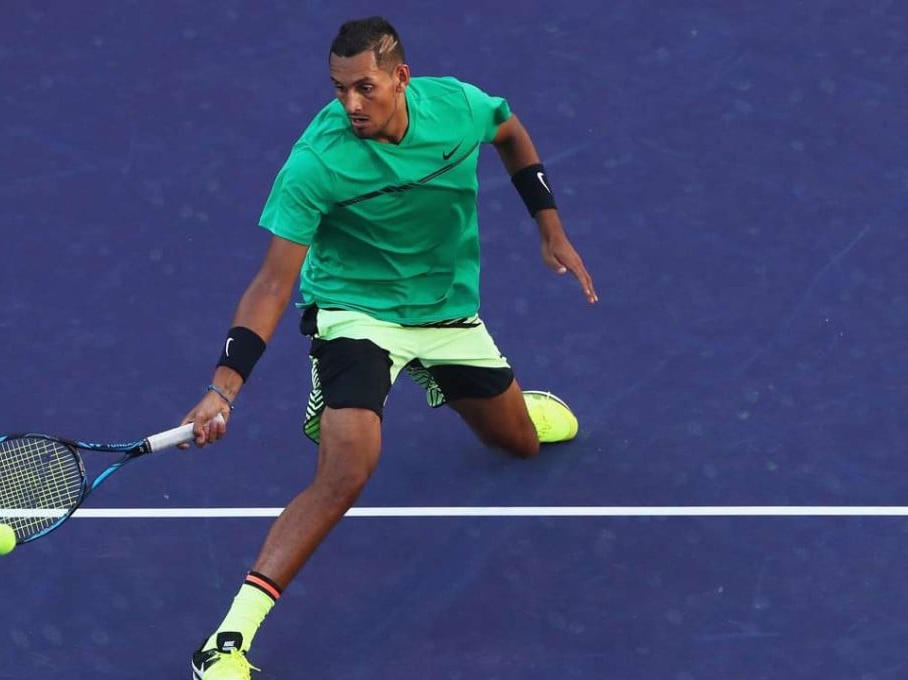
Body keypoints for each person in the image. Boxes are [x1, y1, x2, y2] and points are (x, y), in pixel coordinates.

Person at [182, 16, 598, 679]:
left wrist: (550, 228)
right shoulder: (317, 162)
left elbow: (511, 133)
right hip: (356, 311)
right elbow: (270, 284)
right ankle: (228, 640)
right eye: (339, 89)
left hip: (446, 310)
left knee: (518, 443)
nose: (350, 105)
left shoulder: (459, 108)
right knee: (348, 468)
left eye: (365, 88)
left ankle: (513, 405)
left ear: (400, 78)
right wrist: (223, 386)